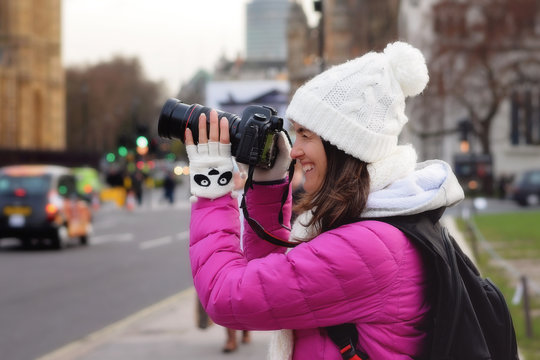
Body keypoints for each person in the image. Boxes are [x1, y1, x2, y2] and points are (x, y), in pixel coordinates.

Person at [184, 42, 464, 359]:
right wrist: (269, 184)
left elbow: (226, 296)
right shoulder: (381, 223)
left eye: (306, 135)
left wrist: (211, 184)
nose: (295, 150)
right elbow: (265, 275)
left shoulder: (366, 248)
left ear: (342, 145)